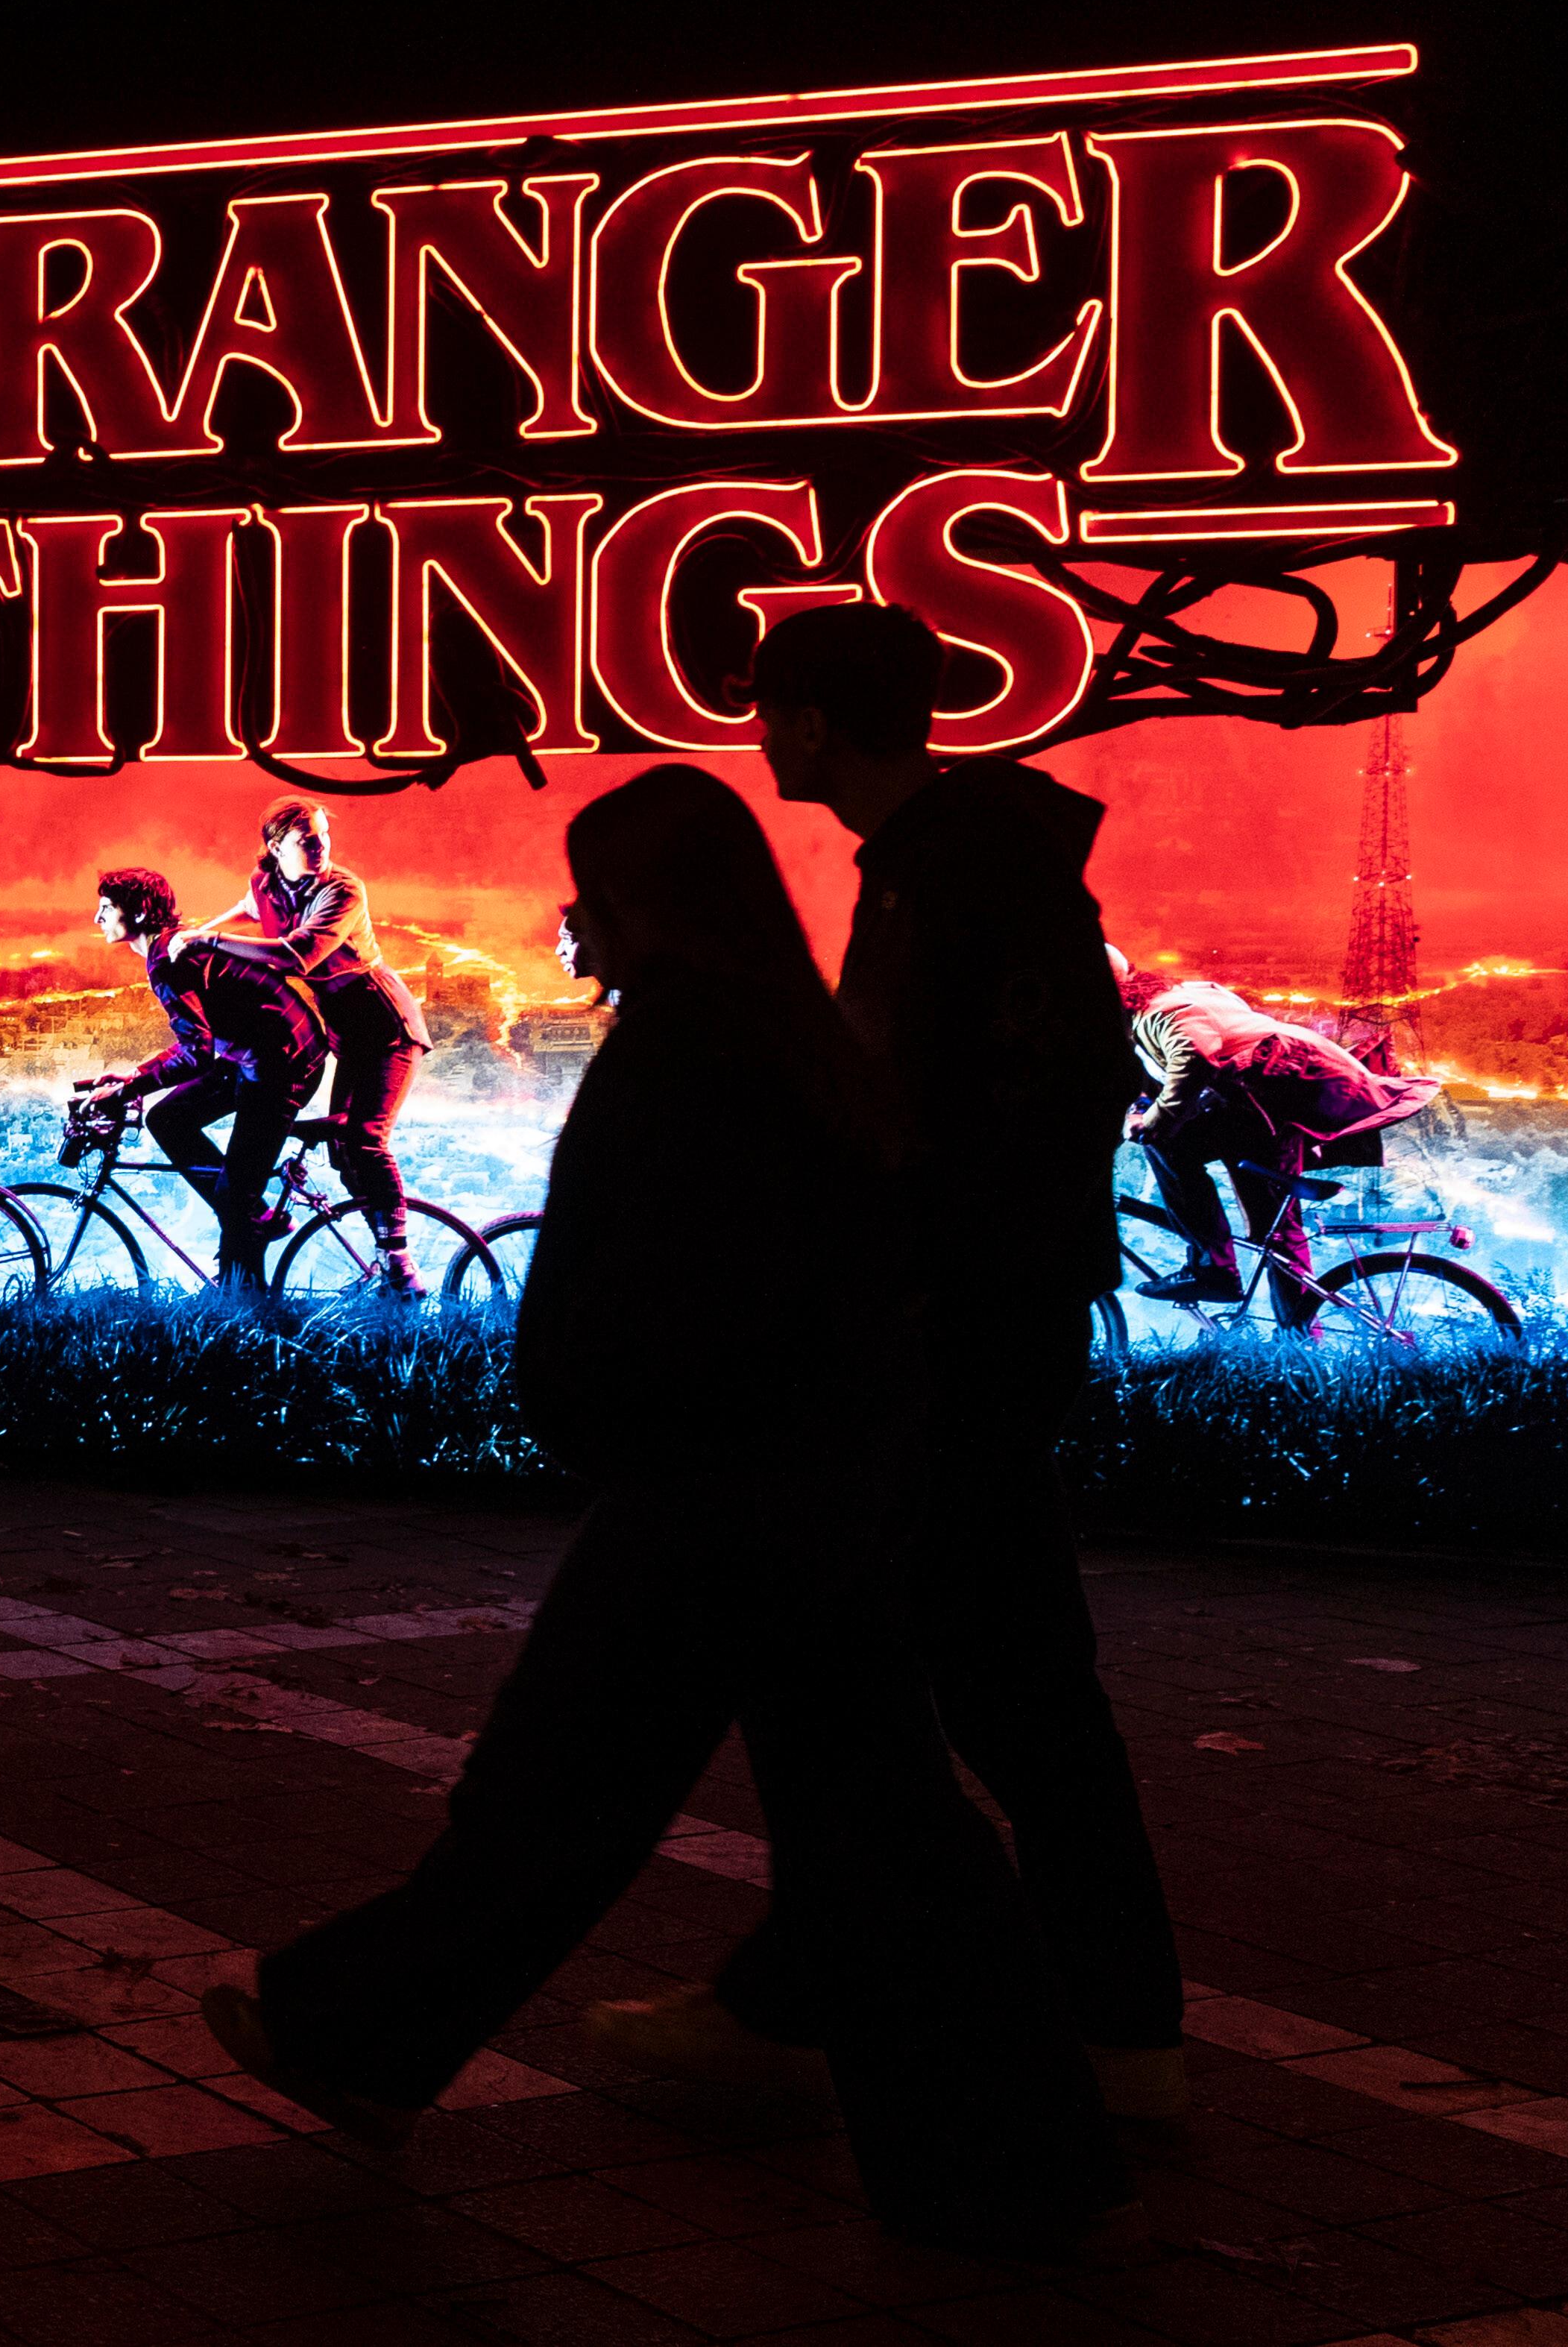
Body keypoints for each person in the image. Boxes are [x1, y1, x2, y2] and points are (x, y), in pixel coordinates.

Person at [202, 767, 1136, 2255]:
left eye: (592, 892)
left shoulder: (681, 1058)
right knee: (864, 1828)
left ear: (650, 905)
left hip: (707, 1498)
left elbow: (637, 1293)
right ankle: (1014, 2159)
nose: (572, 922)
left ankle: (359, 2036)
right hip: (797, 1496)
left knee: (566, 1799)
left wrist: (593, 1413)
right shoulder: (798, 1042)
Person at [593, 600, 1186, 2119]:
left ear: (806, 720)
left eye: (768, 705)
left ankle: (1085, 2042)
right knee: (929, 1692)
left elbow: (955, 1128)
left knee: (955, 1696)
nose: (756, 730)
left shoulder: (956, 886)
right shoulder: (967, 869)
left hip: (953, 1347)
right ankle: (862, 2009)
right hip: (981, 1331)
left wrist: (890, 1288)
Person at [181, 799, 432, 1294]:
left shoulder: (342, 889)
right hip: (348, 1038)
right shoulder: (269, 885)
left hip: (386, 1029)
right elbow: (247, 910)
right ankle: (379, 1255)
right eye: (307, 841)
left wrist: (209, 943)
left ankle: (399, 1260)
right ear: (276, 849)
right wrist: (195, 935)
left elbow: (300, 954)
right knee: (343, 1156)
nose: (321, 848)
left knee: (365, 1139)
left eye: (323, 837)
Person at [1115, 951, 1442, 1311]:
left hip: (1276, 1099)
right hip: (1268, 1101)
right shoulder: (1177, 997)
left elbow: (1194, 1060)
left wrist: (1152, 1124)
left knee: (1173, 1148)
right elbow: (1159, 1078)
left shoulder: (1163, 1012)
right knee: (1270, 1224)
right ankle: (1290, 1327)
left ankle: (1216, 1272)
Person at [79, 868, 331, 1288]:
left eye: (107, 908)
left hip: (282, 1065)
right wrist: (137, 1076)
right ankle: (249, 1217)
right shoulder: (170, 949)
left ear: (139, 913)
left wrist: (131, 1087)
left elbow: (196, 1053)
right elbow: (199, 1044)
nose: (97, 918)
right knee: (168, 1120)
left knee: (237, 1197)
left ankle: (244, 1298)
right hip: (259, 1055)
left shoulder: (168, 961)